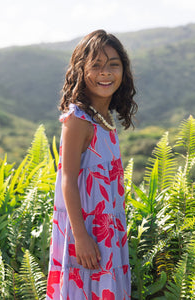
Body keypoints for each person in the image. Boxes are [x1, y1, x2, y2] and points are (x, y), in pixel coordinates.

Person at [46, 29, 137, 300]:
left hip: (108, 234)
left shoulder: (104, 119)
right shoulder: (78, 119)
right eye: (95, 65)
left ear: (124, 71)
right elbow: (67, 180)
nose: (105, 73)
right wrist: (81, 237)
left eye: (113, 65)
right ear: (81, 70)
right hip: (84, 233)